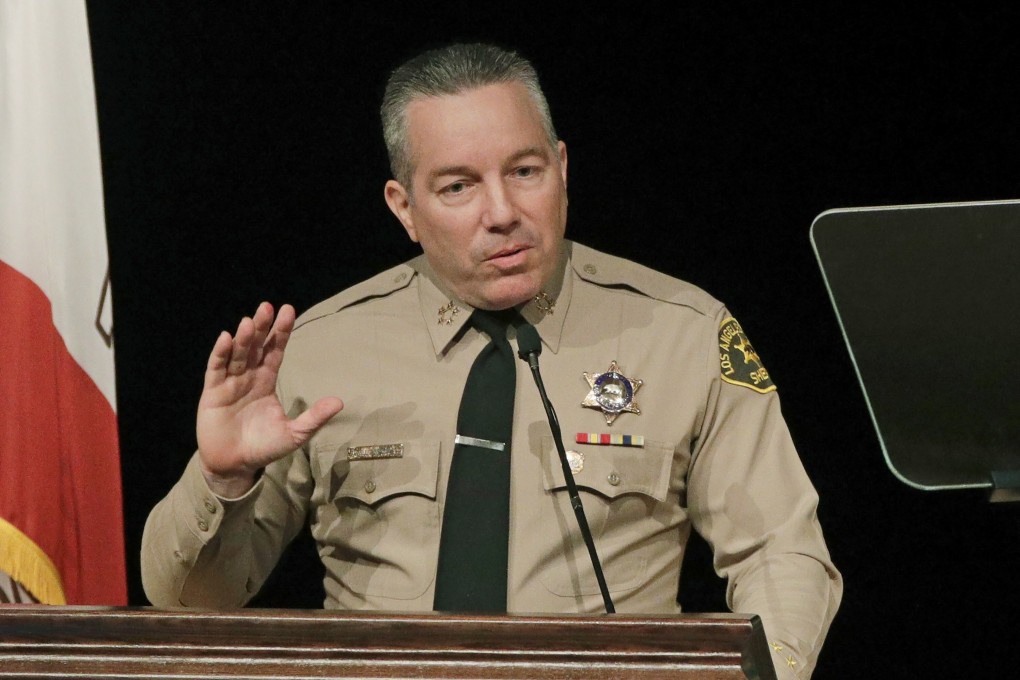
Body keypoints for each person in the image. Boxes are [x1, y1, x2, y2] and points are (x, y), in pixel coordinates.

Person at [142, 43, 841, 678]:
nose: (502, 211)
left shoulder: (681, 332)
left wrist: (767, 675)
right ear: (404, 207)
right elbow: (189, 601)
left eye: (525, 171)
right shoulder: (319, 349)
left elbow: (780, 551)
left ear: (562, 169)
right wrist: (222, 478)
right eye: (457, 187)